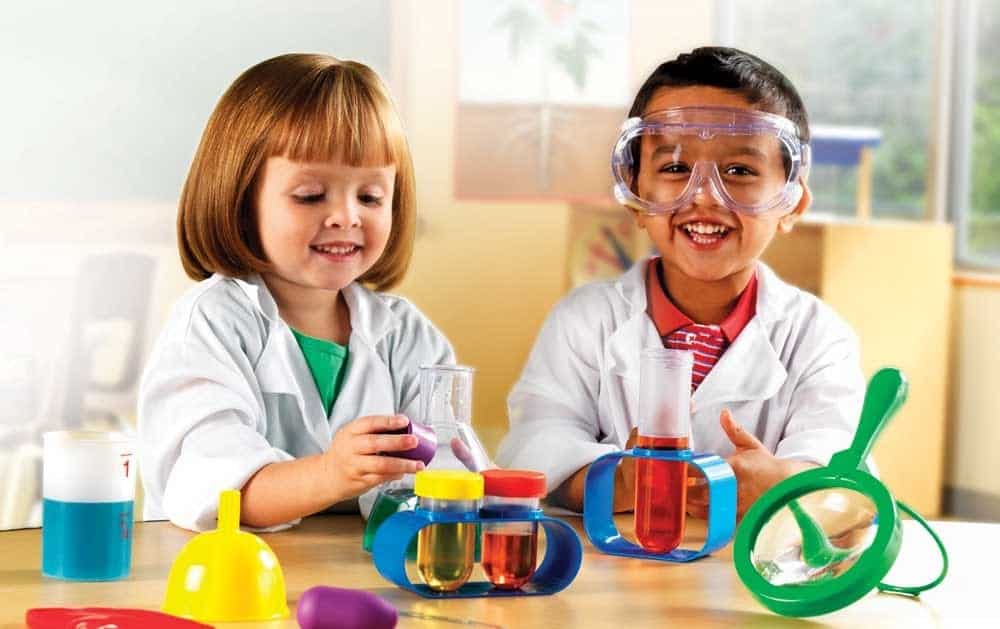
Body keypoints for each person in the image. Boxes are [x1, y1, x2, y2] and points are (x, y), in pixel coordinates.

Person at [496, 47, 866, 518]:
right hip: (613, 573)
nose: (705, 196)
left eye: (740, 171)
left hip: (753, 578)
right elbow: (534, 441)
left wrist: (783, 486)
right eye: (674, 168)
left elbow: (842, 478)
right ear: (635, 194)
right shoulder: (585, 320)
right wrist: (615, 480)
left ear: (791, 202)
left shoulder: (818, 337)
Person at [138, 53, 454, 532]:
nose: (346, 216)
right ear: (240, 198)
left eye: (370, 197)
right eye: (310, 195)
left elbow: (455, 472)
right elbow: (213, 491)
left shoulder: (407, 335)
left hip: (362, 584)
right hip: (230, 587)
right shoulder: (212, 323)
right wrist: (334, 472)